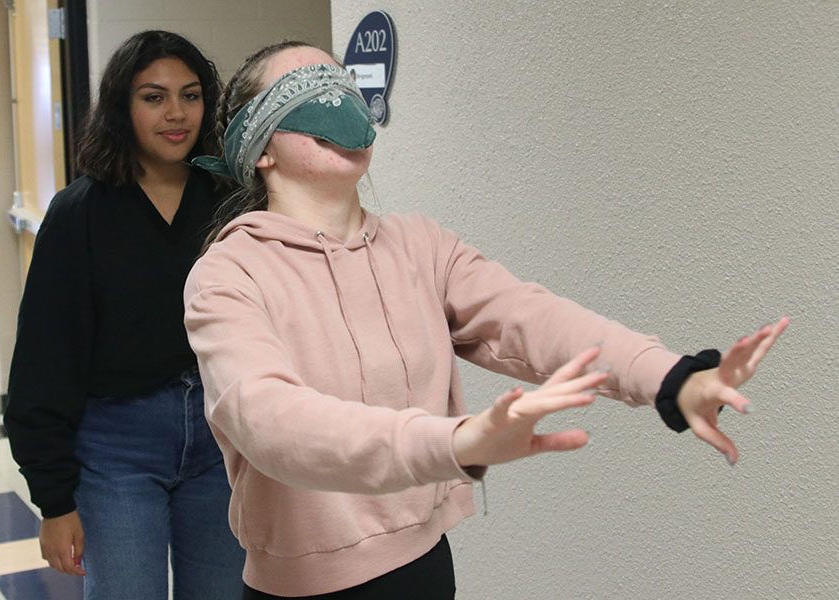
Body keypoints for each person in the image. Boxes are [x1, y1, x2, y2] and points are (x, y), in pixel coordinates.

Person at [185, 41, 788, 599]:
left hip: (425, 565)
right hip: (305, 586)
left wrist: (670, 377)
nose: (337, 100)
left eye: (343, 83)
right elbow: (268, 420)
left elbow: (532, 317)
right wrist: (454, 441)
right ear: (258, 143)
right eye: (308, 89)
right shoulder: (228, 275)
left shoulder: (422, 246)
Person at [4, 30, 246, 600]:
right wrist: (54, 499)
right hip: (116, 449)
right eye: (153, 97)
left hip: (221, 440)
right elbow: (45, 357)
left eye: (190, 95)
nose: (176, 114)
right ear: (122, 106)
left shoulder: (232, 200)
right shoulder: (80, 213)